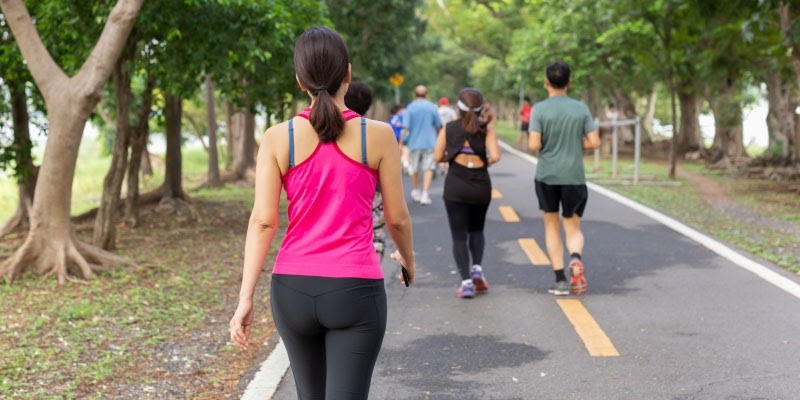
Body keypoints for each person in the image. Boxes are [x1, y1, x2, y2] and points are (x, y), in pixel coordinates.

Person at [229, 26, 416, 400]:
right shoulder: (377, 135)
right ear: (347, 73)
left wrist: (245, 297)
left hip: (292, 290)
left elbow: (263, 221)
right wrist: (408, 261)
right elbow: (396, 217)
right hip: (355, 291)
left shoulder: (277, 137)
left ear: (300, 81)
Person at [528, 60, 599, 296]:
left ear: (546, 81)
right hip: (574, 176)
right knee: (572, 226)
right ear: (570, 82)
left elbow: (534, 144)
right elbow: (594, 142)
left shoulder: (539, 109)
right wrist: (574, 143)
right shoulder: (581, 109)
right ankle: (575, 258)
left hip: (547, 175)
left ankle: (559, 280)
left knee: (551, 224)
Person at [434, 88, 501, 298]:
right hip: (480, 186)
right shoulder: (487, 130)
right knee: (477, 230)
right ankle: (478, 269)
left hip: (456, 186)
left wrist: (453, 158)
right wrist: (481, 162)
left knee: (459, 236)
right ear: (481, 107)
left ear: (458, 107)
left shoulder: (449, 128)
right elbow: (496, 156)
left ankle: (466, 283)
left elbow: (437, 157)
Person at [400, 85, 442, 205]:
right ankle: (425, 194)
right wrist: (441, 140)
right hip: (430, 142)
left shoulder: (410, 108)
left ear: (414, 94)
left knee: (414, 167)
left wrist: (401, 142)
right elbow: (438, 126)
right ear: (426, 94)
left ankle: (417, 191)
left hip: (414, 143)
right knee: (428, 168)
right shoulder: (432, 107)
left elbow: (405, 128)